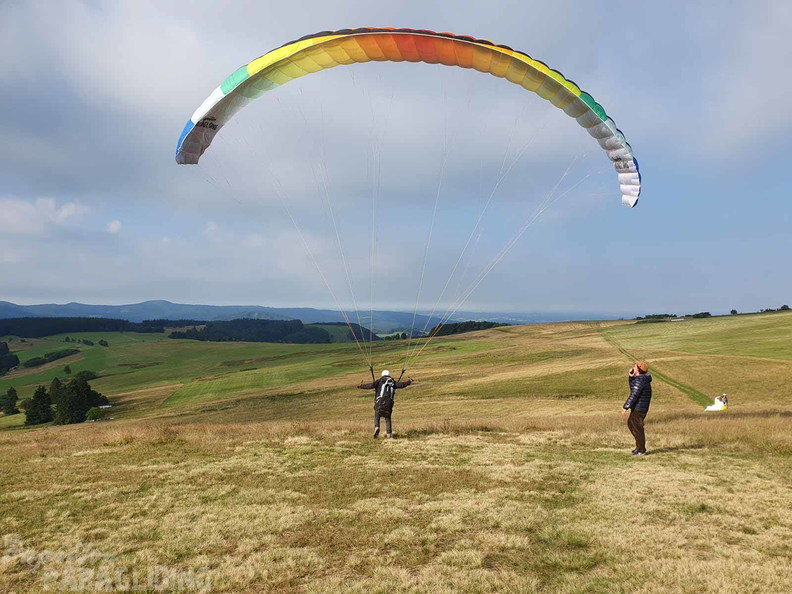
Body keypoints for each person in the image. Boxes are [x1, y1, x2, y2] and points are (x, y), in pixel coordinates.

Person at [357, 370, 412, 439]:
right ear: (389, 375)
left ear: (382, 375)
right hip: (389, 403)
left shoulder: (379, 381)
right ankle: (389, 435)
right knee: (387, 417)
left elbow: (370, 385)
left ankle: (377, 427)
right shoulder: (392, 382)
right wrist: (409, 381)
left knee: (377, 414)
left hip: (380, 402)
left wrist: (361, 386)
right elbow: (402, 385)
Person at [621, 361, 652, 456]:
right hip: (639, 408)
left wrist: (625, 407)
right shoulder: (641, 379)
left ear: (638, 370)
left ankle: (642, 450)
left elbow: (634, 394)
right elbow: (633, 388)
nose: (633, 368)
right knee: (631, 424)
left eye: (634, 367)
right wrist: (631, 377)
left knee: (637, 429)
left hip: (639, 409)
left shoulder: (640, 381)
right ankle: (638, 447)